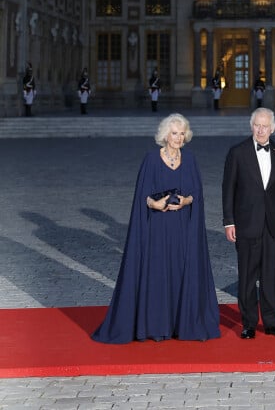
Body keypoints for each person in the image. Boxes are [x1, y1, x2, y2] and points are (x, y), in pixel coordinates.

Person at [92, 113, 220, 344]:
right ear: (165, 135)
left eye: (182, 133)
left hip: (182, 228)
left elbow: (197, 194)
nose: (178, 138)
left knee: (180, 272)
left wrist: (185, 201)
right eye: (174, 133)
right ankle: (157, 325)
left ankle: (182, 324)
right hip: (157, 228)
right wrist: (155, 203)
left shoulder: (190, 159)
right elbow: (143, 196)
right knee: (159, 273)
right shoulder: (151, 159)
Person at [222, 107, 275, 339]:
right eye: (257, 125)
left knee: (271, 274)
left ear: (272, 128)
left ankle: (272, 321)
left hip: (274, 224)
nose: (261, 129)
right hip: (246, 224)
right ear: (251, 126)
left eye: (265, 125)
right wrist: (229, 222)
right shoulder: (237, 153)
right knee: (246, 275)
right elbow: (228, 190)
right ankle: (249, 323)